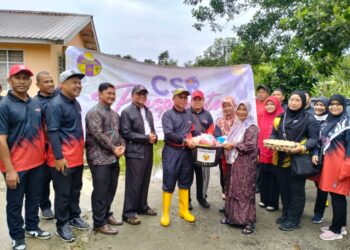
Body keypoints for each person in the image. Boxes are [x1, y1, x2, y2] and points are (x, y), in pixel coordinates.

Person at [0, 65, 51, 250]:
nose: (22, 81)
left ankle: (32, 227)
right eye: (18, 77)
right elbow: (1, 140)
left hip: (38, 162)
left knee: (34, 198)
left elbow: (42, 130)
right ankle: (17, 236)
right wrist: (10, 169)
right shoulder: (4, 106)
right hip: (16, 166)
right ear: (9, 81)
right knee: (14, 203)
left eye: (26, 78)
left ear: (31, 82)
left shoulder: (35, 103)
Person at [45, 70, 89, 242]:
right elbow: (53, 132)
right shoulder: (55, 105)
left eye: (79, 82)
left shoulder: (75, 103)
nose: (78, 85)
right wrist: (58, 157)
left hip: (76, 158)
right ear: (62, 85)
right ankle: (62, 224)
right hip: (62, 159)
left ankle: (74, 216)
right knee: (63, 194)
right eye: (74, 82)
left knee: (75, 191)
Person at [271, 91, 319, 231]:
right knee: (284, 190)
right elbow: (274, 133)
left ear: (303, 103)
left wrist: (302, 147)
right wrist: (273, 141)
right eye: (292, 100)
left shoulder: (309, 119)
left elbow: (314, 139)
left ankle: (294, 220)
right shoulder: (281, 117)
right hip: (280, 159)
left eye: (298, 100)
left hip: (298, 161)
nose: (294, 103)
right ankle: (286, 214)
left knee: (296, 192)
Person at [86, 83, 125, 235]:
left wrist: (122, 145)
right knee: (100, 191)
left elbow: (119, 132)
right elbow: (98, 134)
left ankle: (106, 214)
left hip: (113, 158)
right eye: (108, 93)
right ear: (100, 94)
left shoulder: (114, 114)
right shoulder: (94, 113)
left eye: (113, 94)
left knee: (111, 188)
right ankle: (99, 222)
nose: (111, 96)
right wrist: (114, 148)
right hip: (99, 159)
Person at [313, 94, 350, 241]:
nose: (334, 107)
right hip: (330, 166)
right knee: (336, 196)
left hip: (341, 167)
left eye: (337, 104)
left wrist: (346, 169)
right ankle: (340, 226)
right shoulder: (331, 120)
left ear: (343, 106)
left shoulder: (347, 123)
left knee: (337, 197)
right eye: (332, 104)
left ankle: (336, 231)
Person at [120, 85, 157, 225]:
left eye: (144, 94)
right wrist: (146, 138)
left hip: (148, 150)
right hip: (135, 152)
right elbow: (126, 133)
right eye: (139, 94)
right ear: (132, 95)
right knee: (133, 183)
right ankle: (128, 213)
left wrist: (154, 136)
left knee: (145, 180)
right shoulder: (127, 112)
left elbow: (150, 129)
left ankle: (142, 207)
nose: (142, 96)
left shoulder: (147, 111)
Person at [220, 100, 259, 234]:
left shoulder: (251, 126)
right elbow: (231, 139)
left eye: (244, 110)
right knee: (232, 189)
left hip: (246, 164)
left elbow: (250, 145)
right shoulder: (238, 124)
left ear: (248, 112)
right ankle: (232, 217)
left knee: (244, 191)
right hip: (234, 162)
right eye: (239, 109)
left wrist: (233, 145)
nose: (241, 112)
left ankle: (248, 222)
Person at [160, 88, 196, 227]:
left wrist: (198, 140)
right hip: (171, 151)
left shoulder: (189, 114)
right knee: (169, 180)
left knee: (185, 181)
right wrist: (185, 141)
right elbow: (169, 134)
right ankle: (165, 213)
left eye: (185, 98)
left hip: (186, 152)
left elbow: (191, 131)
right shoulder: (167, 115)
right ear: (173, 99)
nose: (183, 100)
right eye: (180, 97)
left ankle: (184, 210)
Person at [33, 71, 57, 220]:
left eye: (51, 81)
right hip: (44, 147)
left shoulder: (60, 97)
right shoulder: (34, 103)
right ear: (37, 85)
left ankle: (64, 207)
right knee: (44, 179)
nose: (49, 84)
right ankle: (45, 207)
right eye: (45, 82)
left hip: (61, 146)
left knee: (61, 179)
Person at [189, 90, 215, 209]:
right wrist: (191, 140)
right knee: (187, 175)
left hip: (204, 151)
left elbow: (211, 131)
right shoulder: (186, 113)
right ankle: (187, 199)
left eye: (200, 99)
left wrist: (206, 140)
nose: (198, 102)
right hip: (189, 149)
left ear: (203, 101)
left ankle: (202, 197)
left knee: (203, 176)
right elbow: (184, 129)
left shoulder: (208, 115)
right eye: (195, 99)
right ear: (191, 101)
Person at [258, 96, 284, 211]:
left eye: (272, 104)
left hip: (275, 153)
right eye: (267, 104)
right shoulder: (262, 117)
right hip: (263, 152)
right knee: (264, 177)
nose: (269, 106)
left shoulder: (281, 118)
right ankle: (264, 199)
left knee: (274, 178)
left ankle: (273, 202)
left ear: (277, 105)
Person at [214, 96, 237, 212]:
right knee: (227, 178)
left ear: (234, 106)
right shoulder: (219, 121)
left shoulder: (240, 119)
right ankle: (228, 204)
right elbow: (217, 137)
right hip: (224, 154)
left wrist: (232, 143)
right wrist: (224, 142)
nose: (227, 108)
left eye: (229, 105)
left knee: (237, 179)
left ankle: (237, 206)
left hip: (238, 154)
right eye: (224, 106)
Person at [310, 97, 329, 224]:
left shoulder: (330, 121)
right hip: (307, 154)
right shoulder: (310, 118)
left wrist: (317, 152)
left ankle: (318, 213)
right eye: (316, 105)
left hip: (325, 157)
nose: (318, 107)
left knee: (322, 186)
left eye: (322, 105)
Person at [255, 84, 269, 193]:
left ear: (267, 94)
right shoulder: (253, 102)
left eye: (263, 92)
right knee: (254, 159)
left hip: (264, 136)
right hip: (254, 135)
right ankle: (254, 182)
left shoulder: (269, 104)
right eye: (259, 92)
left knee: (261, 161)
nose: (261, 94)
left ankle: (259, 184)